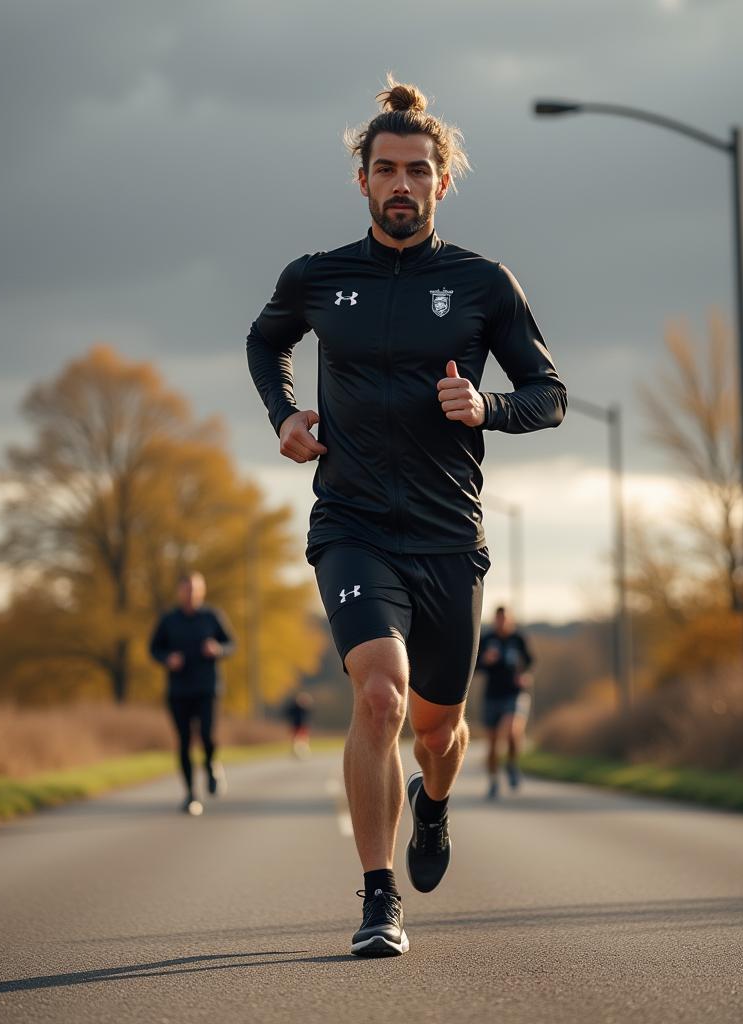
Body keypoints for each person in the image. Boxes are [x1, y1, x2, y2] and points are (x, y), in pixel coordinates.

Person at [246, 76, 566, 956]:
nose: (400, 184)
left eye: (417, 171)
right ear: (363, 180)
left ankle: (436, 804)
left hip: (446, 535)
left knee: (438, 730)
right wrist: (284, 415)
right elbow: (263, 338)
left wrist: (488, 410)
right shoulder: (317, 278)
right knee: (378, 697)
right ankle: (378, 896)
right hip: (350, 522)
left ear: (441, 181)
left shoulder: (479, 283)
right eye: (385, 169)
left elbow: (550, 395)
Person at [149, 572, 235, 816]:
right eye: (187, 589)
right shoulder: (168, 620)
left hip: (207, 688)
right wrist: (167, 658)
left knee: (207, 735)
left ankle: (210, 766)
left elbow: (231, 644)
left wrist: (218, 649)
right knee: (184, 741)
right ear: (180, 591)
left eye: (196, 590)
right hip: (178, 690)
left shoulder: (212, 616)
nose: (191, 594)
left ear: (202, 591)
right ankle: (190, 794)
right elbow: (153, 648)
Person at [476, 606, 535, 799]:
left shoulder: (518, 639)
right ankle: (493, 781)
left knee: (512, 731)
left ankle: (511, 764)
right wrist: (485, 661)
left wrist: (525, 676)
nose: (502, 623)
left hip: (514, 694)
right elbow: (474, 667)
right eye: (498, 619)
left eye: (505, 619)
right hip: (492, 695)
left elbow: (530, 663)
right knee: (492, 744)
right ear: (495, 620)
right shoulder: (487, 639)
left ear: (511, 620)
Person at [283, 689, 314, 759]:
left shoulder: (305, 707)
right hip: (295, 725)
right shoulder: (293, 707)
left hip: (303, 725)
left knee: (304, 739)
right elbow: (288, 714)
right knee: (295, 739)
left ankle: (304, 751)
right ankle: (295, 752)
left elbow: (309, 715)